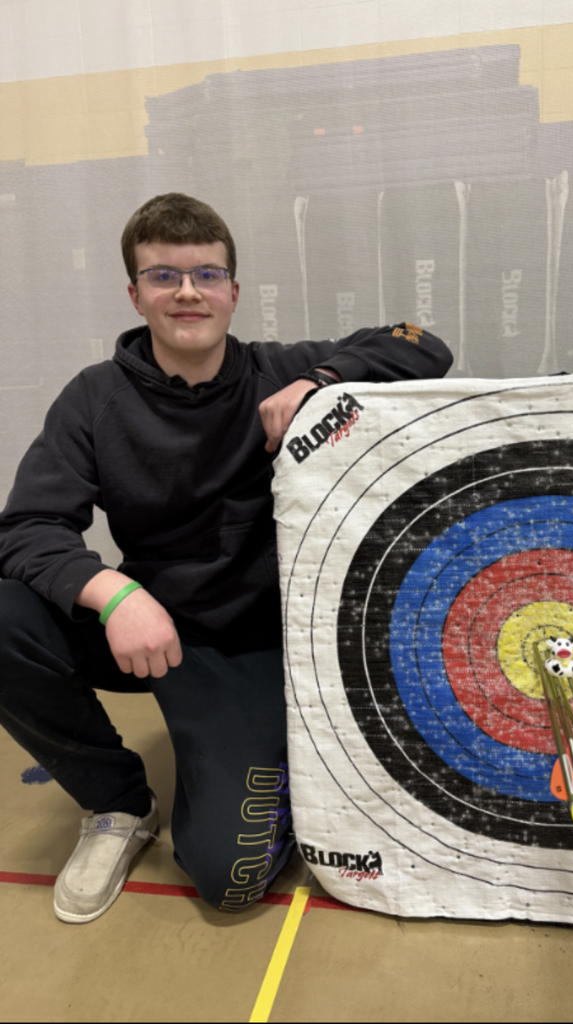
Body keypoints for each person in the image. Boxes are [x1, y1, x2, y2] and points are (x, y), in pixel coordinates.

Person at [0, 192, 452, 922]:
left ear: (233, 293)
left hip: (252, 649)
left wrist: (322, 383)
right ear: (135, 295)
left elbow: (422, 343)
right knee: (4, 614)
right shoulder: (92, 398)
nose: (187, 292)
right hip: (150, 631)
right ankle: (119, 804)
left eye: (206, 275)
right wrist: (114, 594)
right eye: (164, 276)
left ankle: (265, 757)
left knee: (230, 878)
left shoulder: (281, 369)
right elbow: (27, 528)